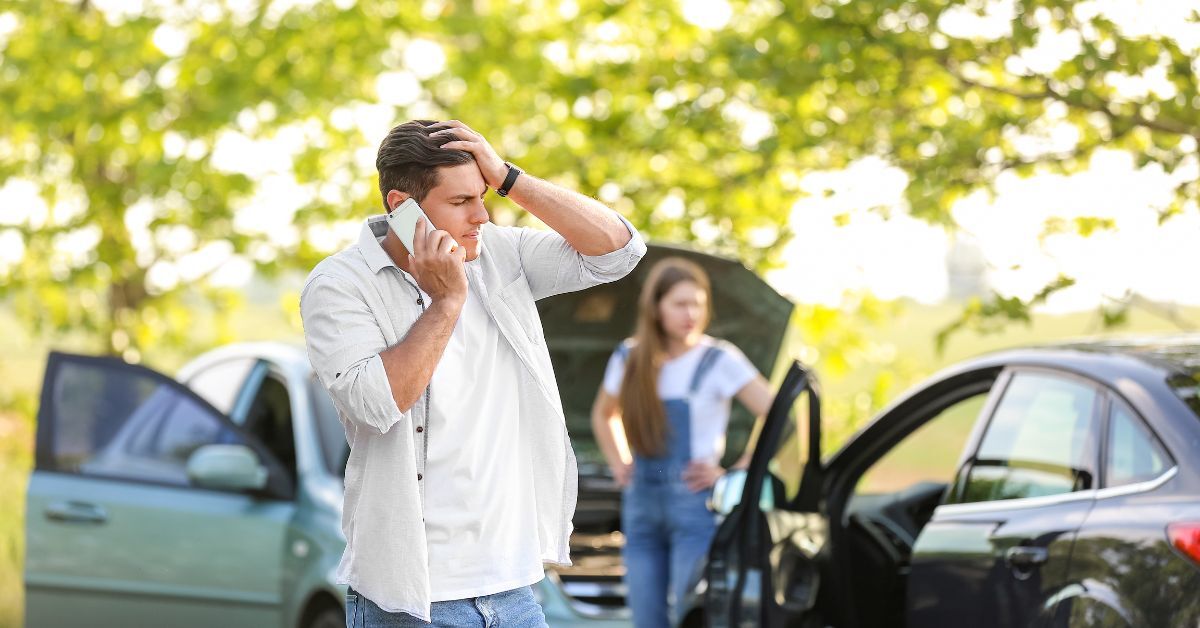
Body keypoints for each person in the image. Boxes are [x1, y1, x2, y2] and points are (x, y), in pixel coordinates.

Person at [300, 119, 646, 627]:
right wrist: (447, 302)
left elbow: (619, 251)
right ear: (401, 207)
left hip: (517, 589)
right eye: (462, 202)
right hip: (413, 600)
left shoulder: (501, 253)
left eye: (485, 196)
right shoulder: (339, 285)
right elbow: (376, 404)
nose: (482, 215)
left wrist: (509, 177)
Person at [590, 256, 774, 627]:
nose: (690, 313)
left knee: (691, 614)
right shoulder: (630, 356)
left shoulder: (719, 359)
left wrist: (738, 471)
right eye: (680, 303)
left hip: (695, 508)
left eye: (698, 304)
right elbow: (603, 414)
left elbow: (778, 414)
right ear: (656, 308)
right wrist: (620, 463)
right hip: (640, 505)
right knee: (646, 617)